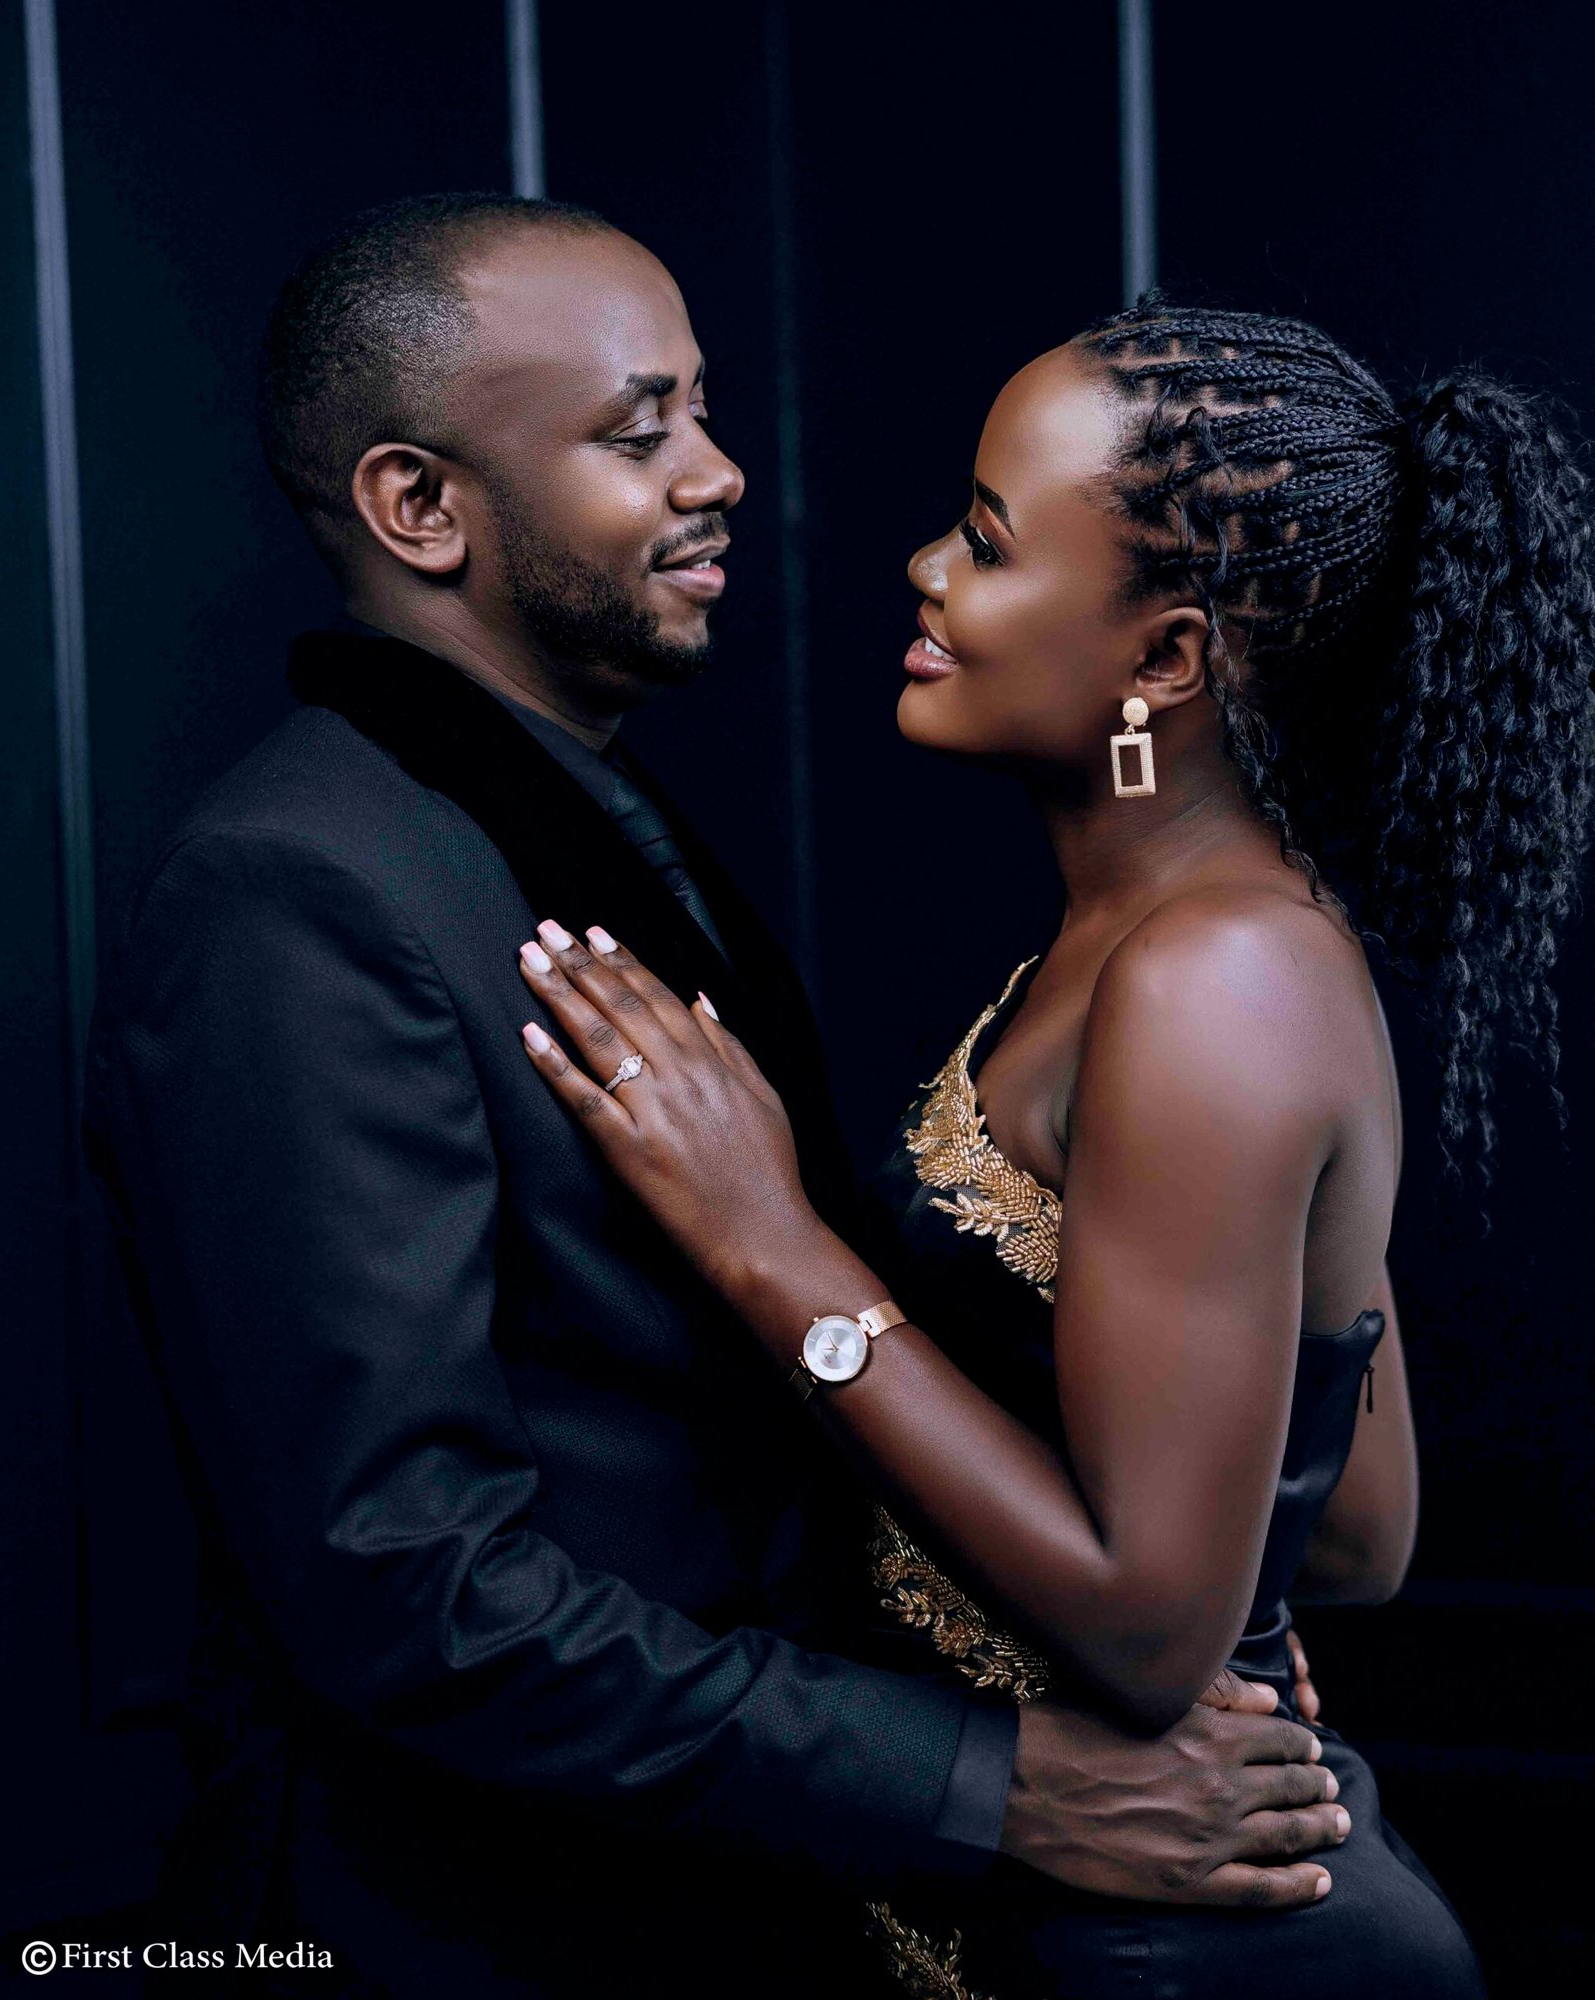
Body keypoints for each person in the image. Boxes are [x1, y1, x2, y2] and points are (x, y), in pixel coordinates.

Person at [84, 205, 1345, 1999]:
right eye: (639, 431)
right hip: (467, 1940)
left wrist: (1178, 1605)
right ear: (419, 507)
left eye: (703, 409)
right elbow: (408, 1592)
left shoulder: (569, 816)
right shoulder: (297, 897)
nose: (722, 471)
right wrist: (989, 1783)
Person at [513, 302, 1595, 1996]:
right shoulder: (1168, 938)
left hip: (1184, 1944)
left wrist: (769, 1246)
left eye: (989, 541)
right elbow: (1353, 1529)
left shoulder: (1214, 979)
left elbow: (1156, 1636)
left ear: (1166, 661)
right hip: (1099, 1890)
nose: (928, 570)